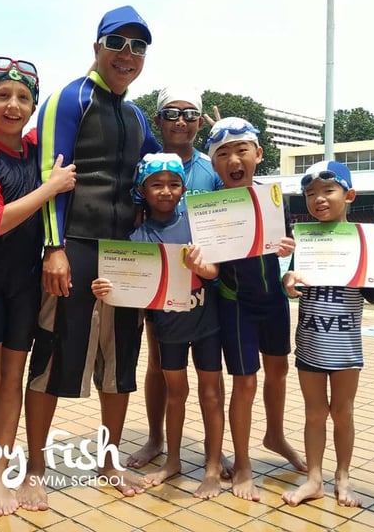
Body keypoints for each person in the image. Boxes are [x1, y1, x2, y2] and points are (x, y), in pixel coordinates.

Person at [18, 5, 161, 510]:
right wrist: (53, 248)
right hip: (74, 245)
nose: (127, 55)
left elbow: (159, 175)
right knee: (55, 354)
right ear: (97, 46)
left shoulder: (137, 115)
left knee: (121, 360)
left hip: (126, 252)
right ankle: (34, 467)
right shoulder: (69, 98)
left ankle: (108, 459)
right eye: (117, 43)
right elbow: (50, 176)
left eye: (138, 47)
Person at [0, 57, 76, 516]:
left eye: (23, 97)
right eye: (3, 96)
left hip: (26, 284)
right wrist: (50, 188)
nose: (13, 105)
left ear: (32, 108)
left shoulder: (38, 151)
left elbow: (70, 122)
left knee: (12, 380)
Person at [93, 152, 225, 499]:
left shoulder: (197, 225)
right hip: (169, 329)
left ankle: (212, 465)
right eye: (157, 185)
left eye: (173, 184)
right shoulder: (138, 239)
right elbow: (129, 289)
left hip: (206, 322)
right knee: (176, 395)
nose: (166, 191)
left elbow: (215, 273)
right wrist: (105, 289)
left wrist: (204, 267)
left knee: (211, 394)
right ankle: (174, 460)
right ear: (142, 189)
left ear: (183, 189)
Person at [280, 160, 374, 508]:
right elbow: (291, 283)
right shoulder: (305, 240)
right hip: (309, 342)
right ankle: (315, 478)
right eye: (310, 194)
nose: (319, 199)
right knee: (314, 413)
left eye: (327, 191)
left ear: (348, 195)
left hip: (346, 345)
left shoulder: (367, 241)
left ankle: (343, 477)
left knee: (343, 412)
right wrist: (288, 284)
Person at [203, 116, 307, 501]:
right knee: (245, 383)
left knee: (278, 371)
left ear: (258, 154)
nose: (234, 159)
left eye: (241, 150)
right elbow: (212, 265)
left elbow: (299, 247)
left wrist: (291, 262)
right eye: (224, 154)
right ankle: (243, 461)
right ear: (215, 164)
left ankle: (275, 434)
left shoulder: (274, 199)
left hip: (273, 302)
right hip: (235, 305)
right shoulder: (212, 209)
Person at [126, 87, 224, 471]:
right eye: (171, 114)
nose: (181, 121)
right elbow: (135, 221)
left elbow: (228, 220)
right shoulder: (143, 162)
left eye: (189, 114)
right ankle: (156, 439)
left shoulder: (210, 166)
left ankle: (213, 454)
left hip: (205, 288)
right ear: (158, 120)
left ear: (199, 122)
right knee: (160, 364)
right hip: (160, 286)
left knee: (208, 378)